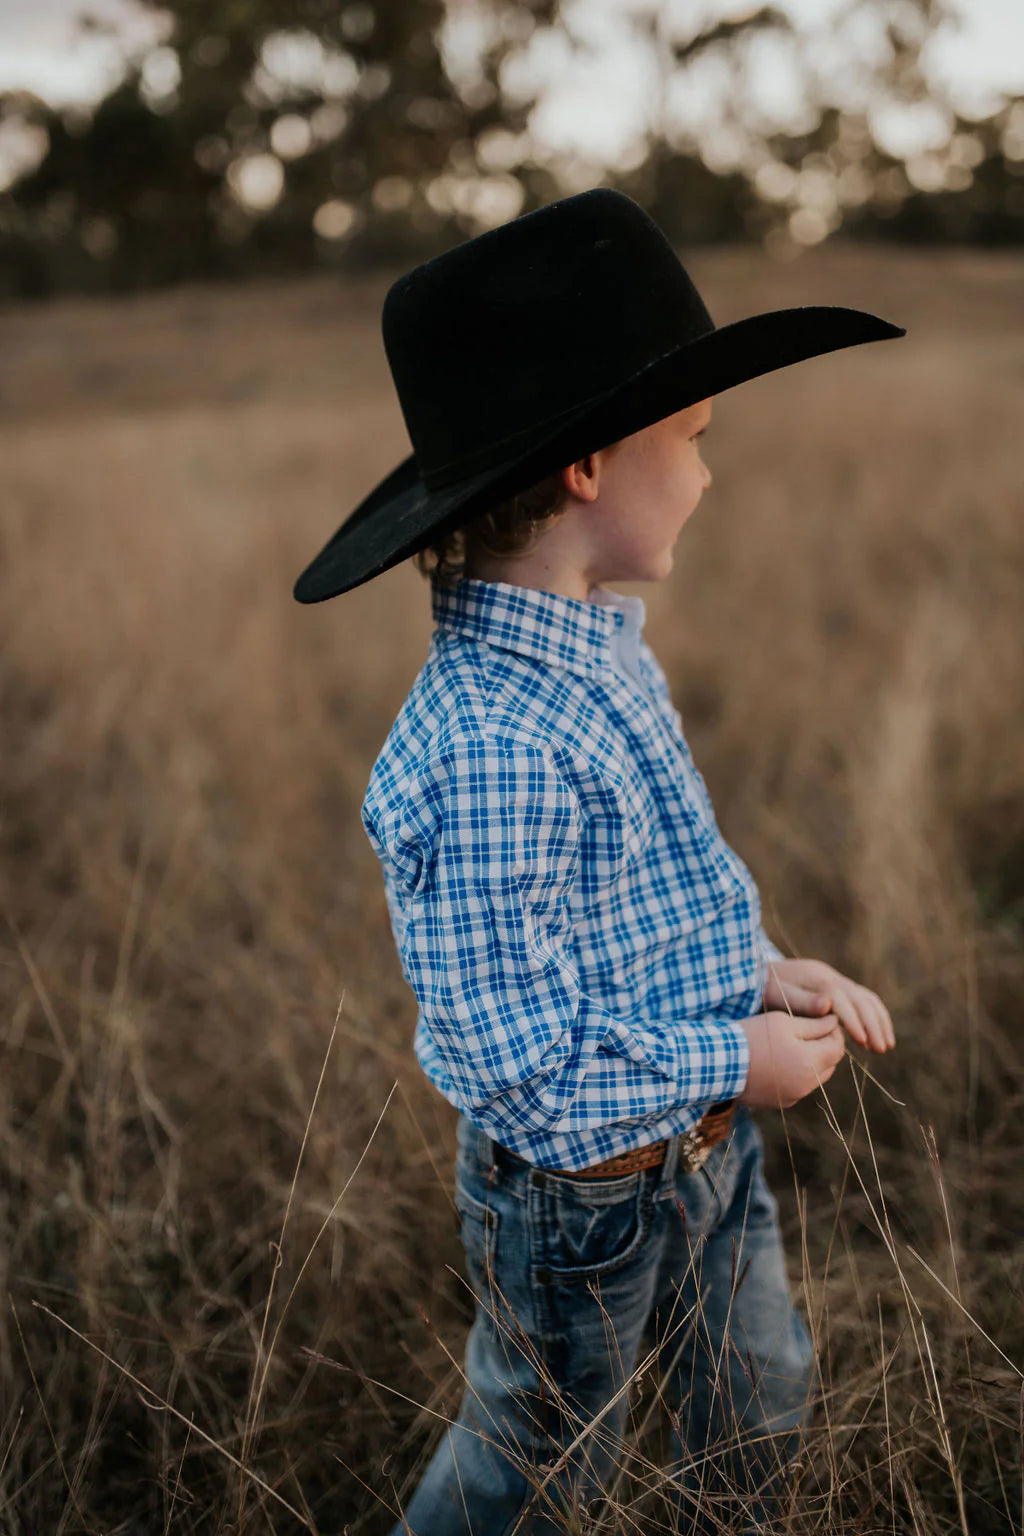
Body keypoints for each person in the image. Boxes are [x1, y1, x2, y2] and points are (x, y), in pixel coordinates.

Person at [293, 189, 901, 1535]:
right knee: (539, 1456)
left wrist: (762, 973)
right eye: (689, 438)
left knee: (760, 1392)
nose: (707, 470)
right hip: (580, 1206)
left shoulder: (607, 652)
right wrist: (734, 1057)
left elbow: (659, 892)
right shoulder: (493, 745)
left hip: (709, 1146)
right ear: (587, 469)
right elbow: (522, 1066)